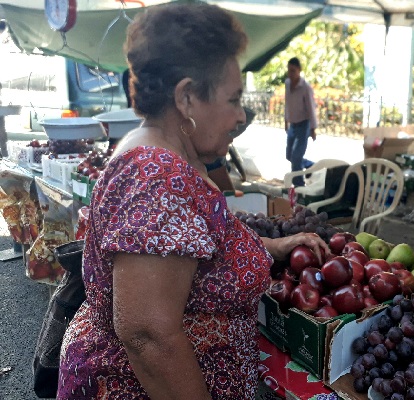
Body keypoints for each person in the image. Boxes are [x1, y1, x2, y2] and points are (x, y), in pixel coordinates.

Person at [57, 4, 329, 399]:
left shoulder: (167, 154)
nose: (240, 115)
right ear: (186, 97)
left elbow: (202, 249)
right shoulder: (157, 179)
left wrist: (274, 246)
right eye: (234, 99)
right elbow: (149, 336)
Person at [285, 57, 318, 187]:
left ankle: (298, 186)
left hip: (304, 124)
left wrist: (313, 128)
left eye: (293, 71)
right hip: (293, 124)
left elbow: (311, 108)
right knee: (290, 156)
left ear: (299, 70)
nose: (290, 74)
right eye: (289, 70)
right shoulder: (287, 83)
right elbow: (287, 104)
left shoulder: (305, 87)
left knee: (296, 157)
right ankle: (311, 167)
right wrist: (285, 121)